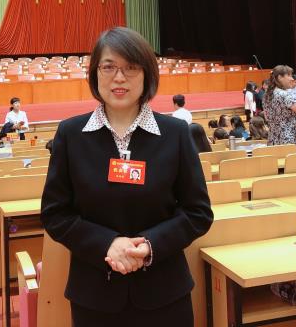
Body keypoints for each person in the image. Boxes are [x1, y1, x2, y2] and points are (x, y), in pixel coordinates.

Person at [41, 27, 213, 326]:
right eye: (108, 67)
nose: (119, 78)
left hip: (165, 294)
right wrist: (107, 244)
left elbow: (197, 213)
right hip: (95, 296)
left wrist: (149, 245)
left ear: (147, 74)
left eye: (131, 67)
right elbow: (55, 214)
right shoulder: (70, 134)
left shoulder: (175, 133)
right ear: (95, 74)